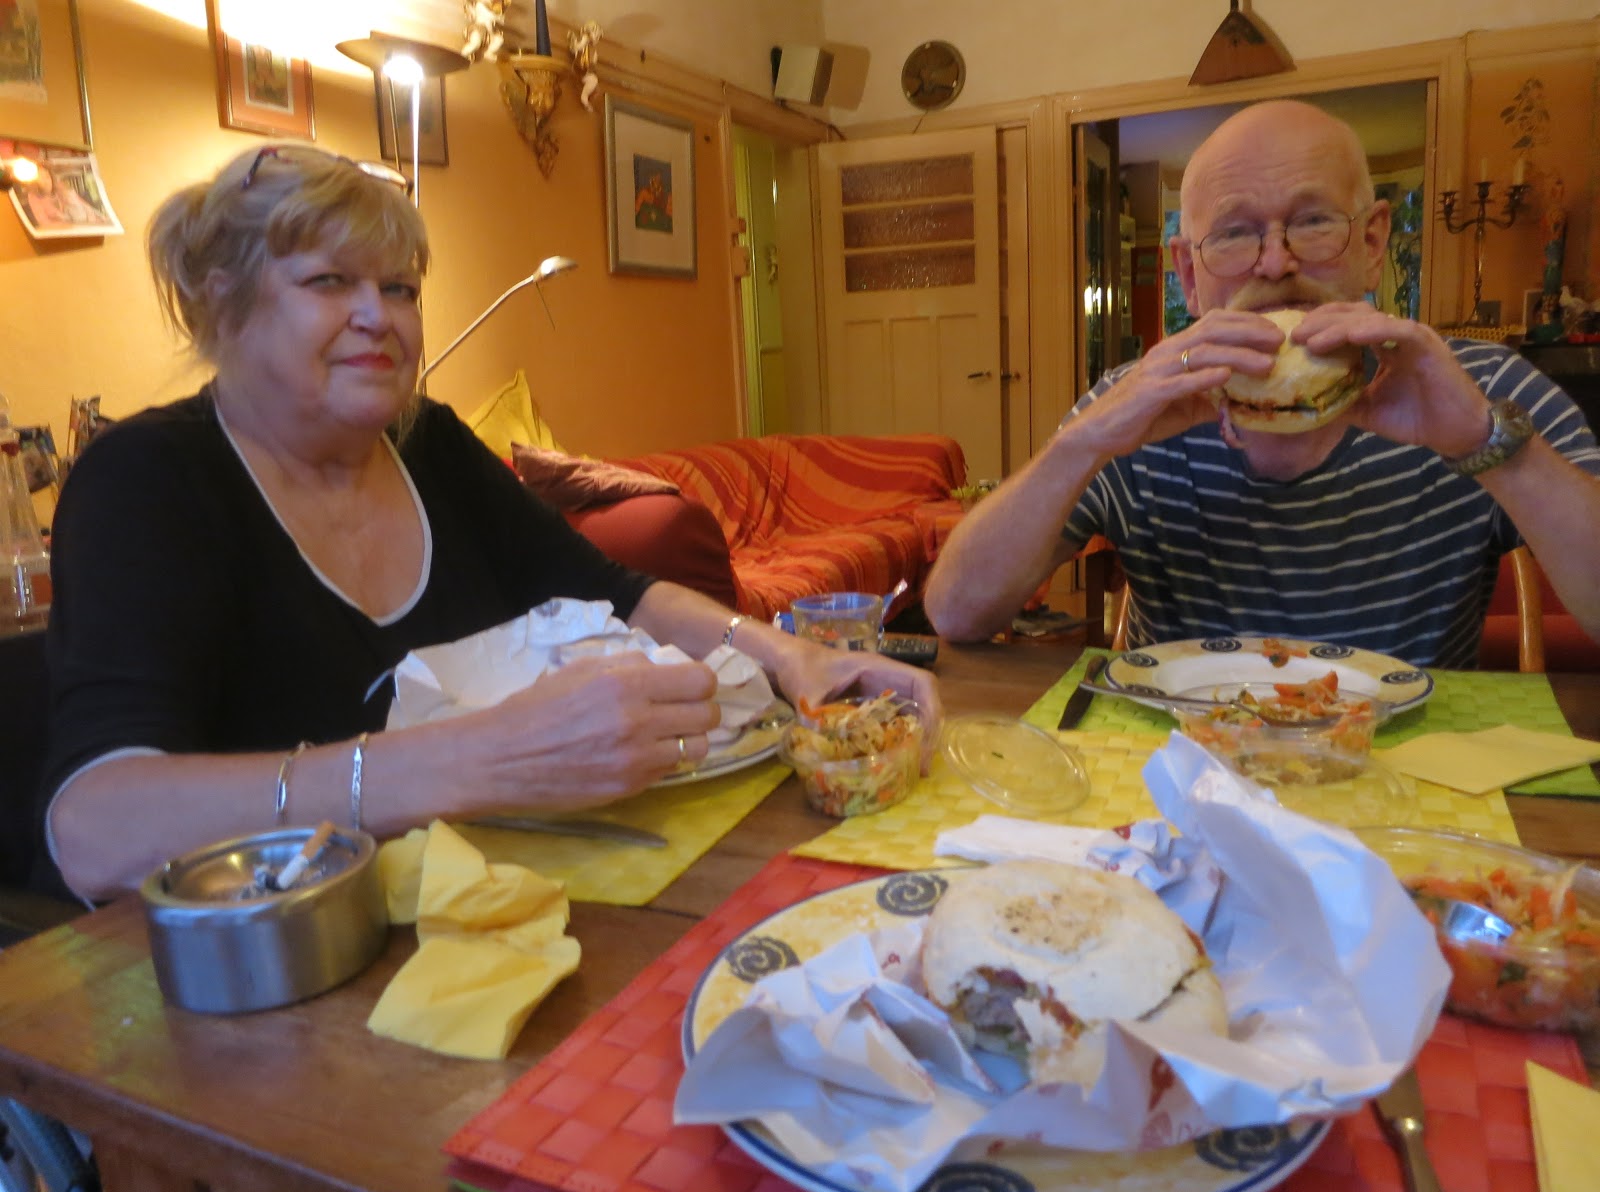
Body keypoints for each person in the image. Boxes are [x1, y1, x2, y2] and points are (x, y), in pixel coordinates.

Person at [43, 145, 940, 901]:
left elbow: (616, 593)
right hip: (275, 968)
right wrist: (483, 758)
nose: (379, 316)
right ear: (220, 300)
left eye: (400, 288)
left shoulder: (427, 442)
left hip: (488, 902)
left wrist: (788, 656)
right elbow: (93, 828)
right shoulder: (146, 479)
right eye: (329, 281)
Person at [924, 100, 1600, 666]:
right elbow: (956, 613)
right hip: (1183, 763)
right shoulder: (1135, 403)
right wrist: (1081, 444)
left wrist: (1488, 445)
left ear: (1372, 244)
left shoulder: (1480, 389)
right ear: (1188, 276)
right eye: (1234, 234)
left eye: (1313, 222)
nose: (1275, 263)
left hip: (1408, 768)